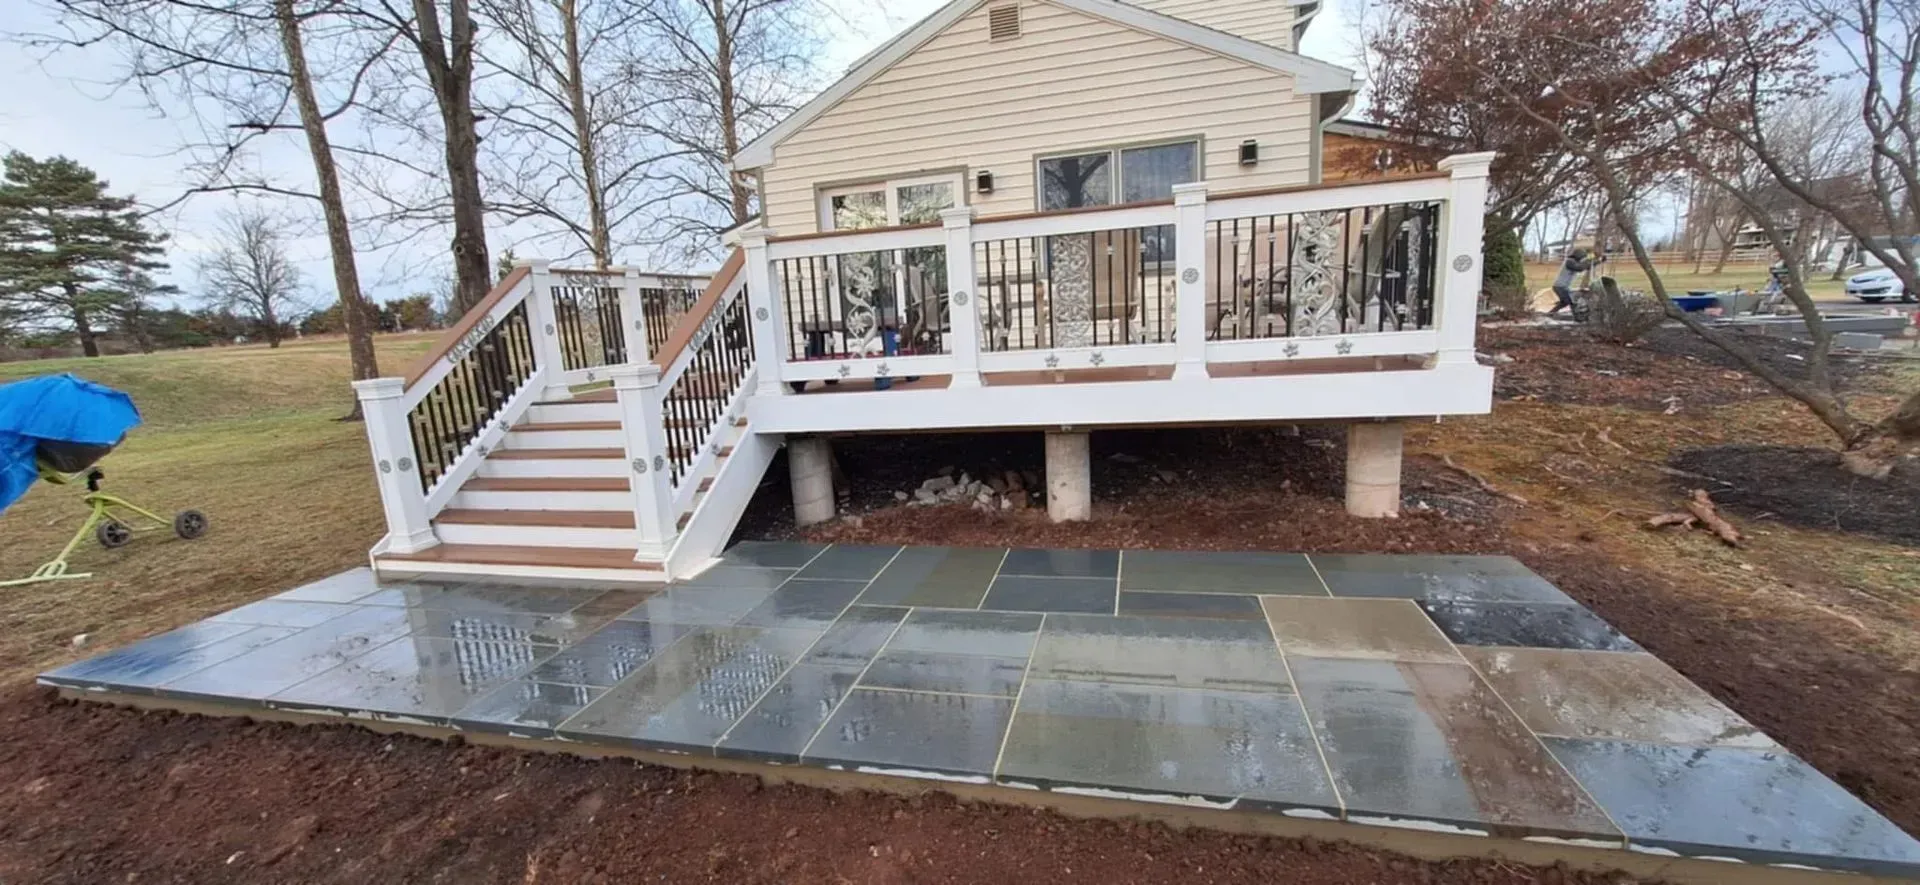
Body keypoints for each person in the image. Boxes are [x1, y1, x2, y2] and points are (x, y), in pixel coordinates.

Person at [1549, 247, 1598, 317]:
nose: (1582, 259)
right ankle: (1578, 316)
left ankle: (1551, 313)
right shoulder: (1569, 261)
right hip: (1560, 286)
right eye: (1582, 257)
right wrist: (1589, 259)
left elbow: (1587, 266)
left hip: (1563, 287)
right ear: (1578, 256)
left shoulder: (1574, 262)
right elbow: (1580, 268)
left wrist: (1599, 261)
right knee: (1570, 301)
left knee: (1565, 302)